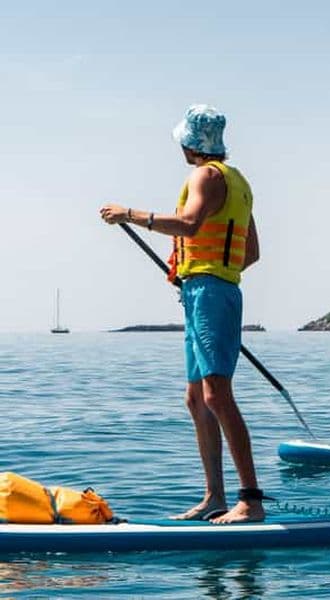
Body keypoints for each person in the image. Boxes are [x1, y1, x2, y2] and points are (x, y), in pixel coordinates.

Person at [100, 104, 264, 523]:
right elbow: (251, 252)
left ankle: (251, 500)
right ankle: (215, 497)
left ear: (191, 144)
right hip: (202, 291)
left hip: (211, 295)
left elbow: (189, 225)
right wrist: (196, 271)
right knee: (196, 399)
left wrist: (130, 215)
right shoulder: (238, 182)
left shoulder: (205, 176)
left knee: (216, 394)